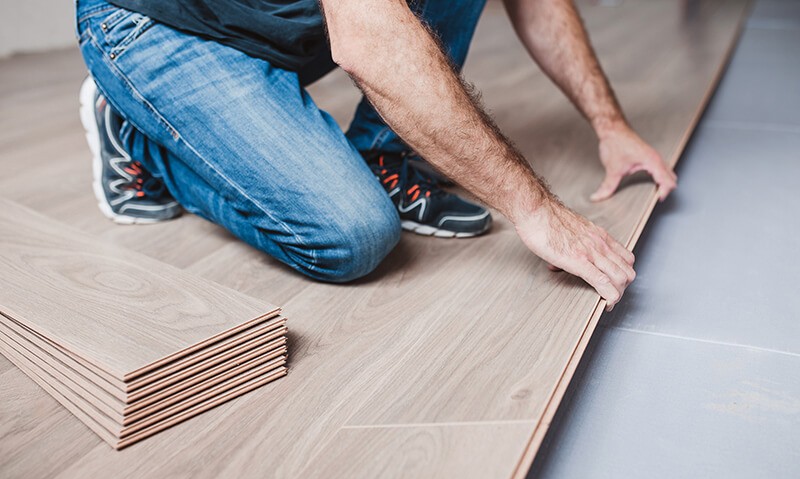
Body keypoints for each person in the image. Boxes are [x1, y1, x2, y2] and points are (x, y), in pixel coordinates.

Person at [74, 0, 676, 310]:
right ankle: (142, 136)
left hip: (275, 17)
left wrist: (609, 123)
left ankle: (383, 155)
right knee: (350, 237)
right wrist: (536, 210)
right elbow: (368, 38)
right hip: (158, 25)